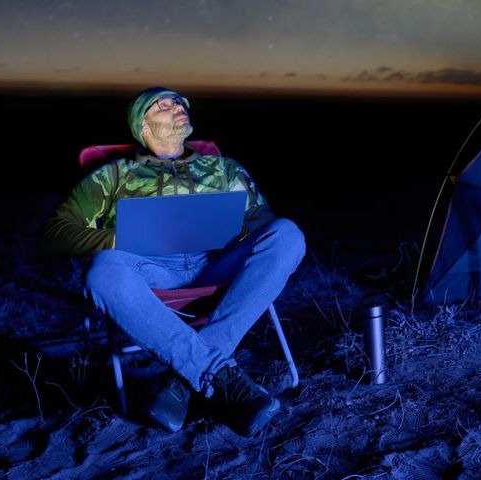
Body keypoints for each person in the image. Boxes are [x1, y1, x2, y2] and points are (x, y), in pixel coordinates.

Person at [40, 87, 305, 436]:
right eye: (163, 106)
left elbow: (263, 224)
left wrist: (230, 228)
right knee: (102, 271)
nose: (177, 106)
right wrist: (118, 239)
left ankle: (186, 377)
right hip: (152, 272)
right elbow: (55, 233)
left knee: (287, 235)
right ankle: (216, 374)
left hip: (215, 265)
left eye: (179, 102)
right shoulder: (114, 176)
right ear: (143, 127)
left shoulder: (224, 169)